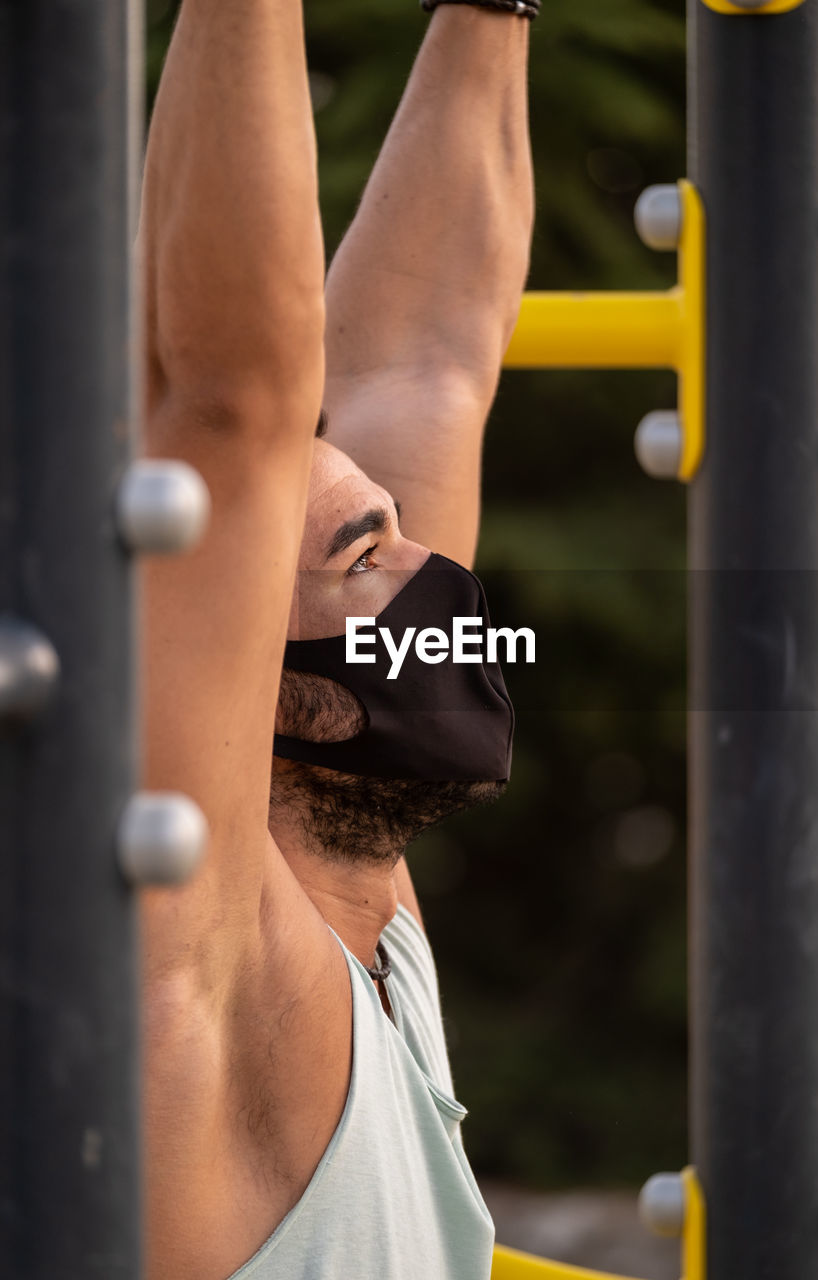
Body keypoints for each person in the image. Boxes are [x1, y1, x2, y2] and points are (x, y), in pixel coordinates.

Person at [140, 0, 535, 1276]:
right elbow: (231, 399)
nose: (441, 578)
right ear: (254, 678)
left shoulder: (366, 911)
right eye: (368, 555)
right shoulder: (222, 964)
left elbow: (430, 358)